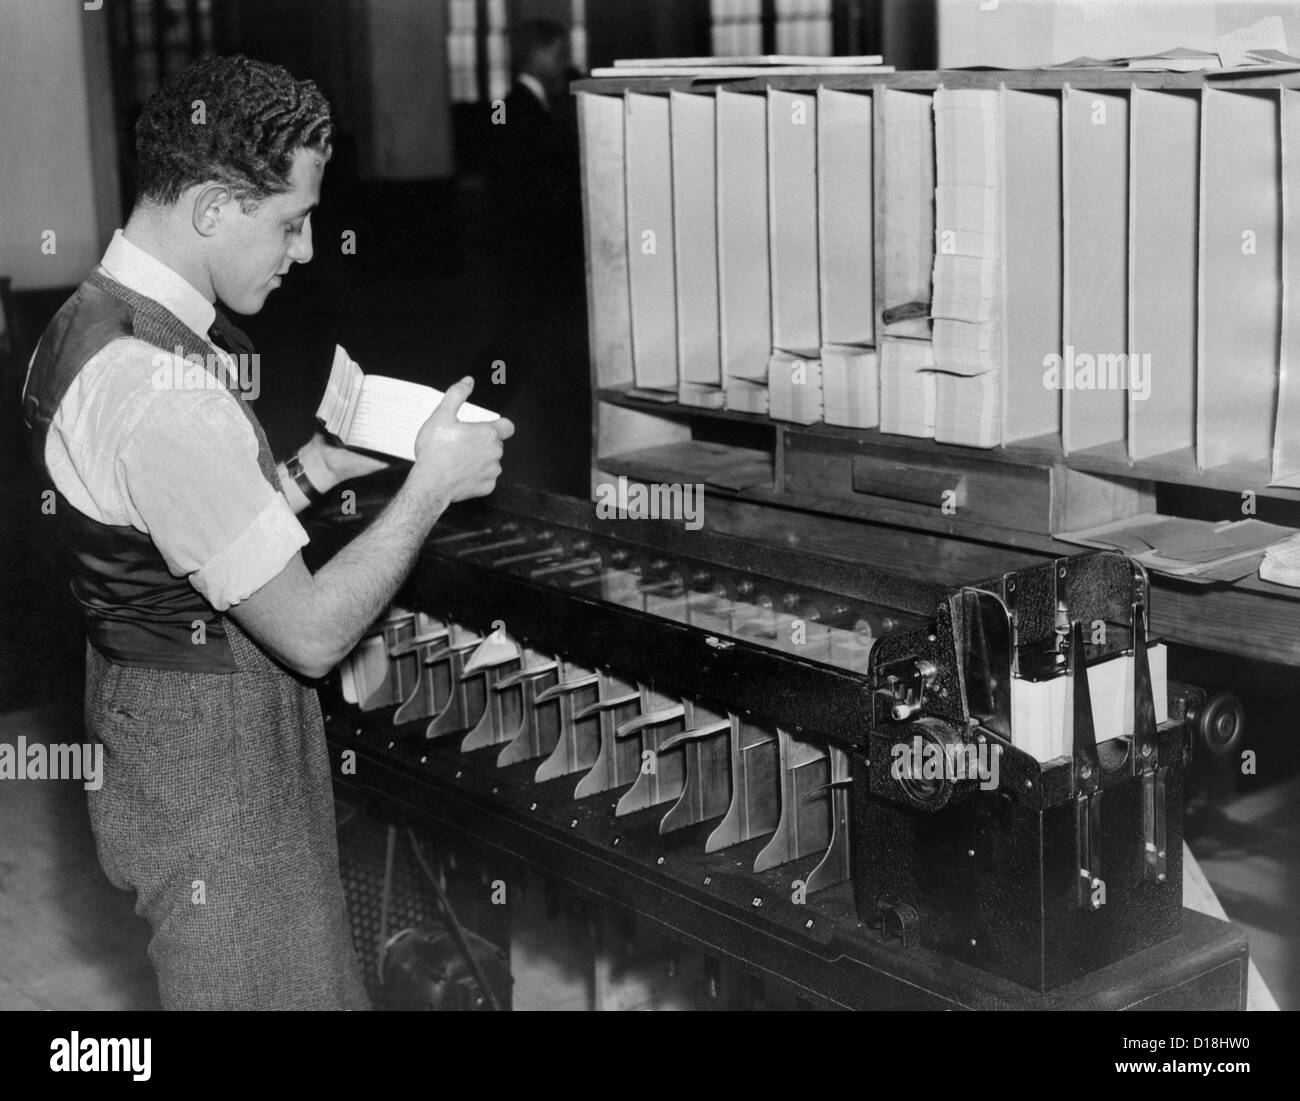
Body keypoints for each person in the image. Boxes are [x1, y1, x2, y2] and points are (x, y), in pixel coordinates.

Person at [22, 55, 513, 1010]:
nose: (307, 249)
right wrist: (430, 490)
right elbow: (316, 630)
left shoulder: (90, 326)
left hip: (158, 726)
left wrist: (319, 468)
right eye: (290, 221)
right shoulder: (159, 389)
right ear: (211, 208)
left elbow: (176, 539)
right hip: (219, 778)